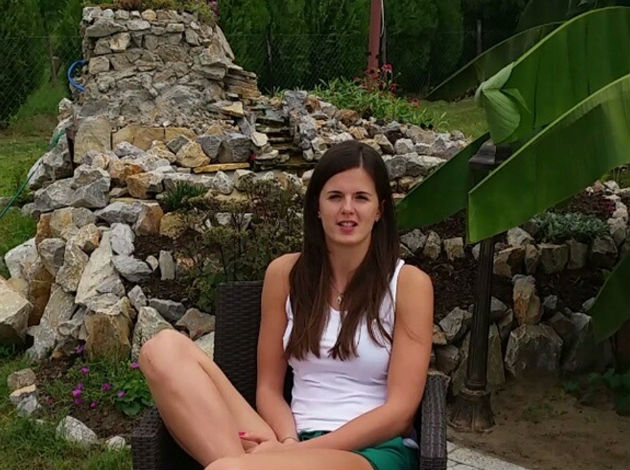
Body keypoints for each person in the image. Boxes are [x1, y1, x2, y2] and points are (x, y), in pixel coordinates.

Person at [139, 140, 434, 470]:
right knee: (162, 349)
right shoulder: (285, 275)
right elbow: (268, 388)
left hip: (369, 452)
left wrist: (293, 454)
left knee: (229, 469)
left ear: (379, 209)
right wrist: (288, 443)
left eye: (361, 197)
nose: (347, 208)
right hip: (288, 437)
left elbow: (399, 413)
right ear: (317, 207)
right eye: (335, 196)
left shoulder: (408, 285)